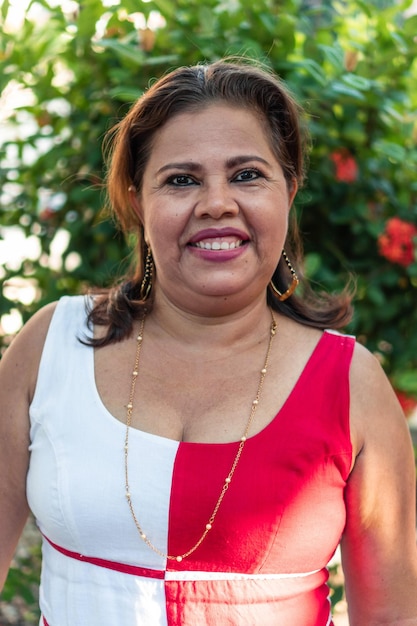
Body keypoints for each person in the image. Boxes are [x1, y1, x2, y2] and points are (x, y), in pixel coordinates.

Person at [1, 58, 417, 626]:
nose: (216, 203)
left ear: (289, 191)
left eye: (247, 174)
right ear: (137, 201)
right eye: (181, 179)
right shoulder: (50, 349)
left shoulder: (351, 384)